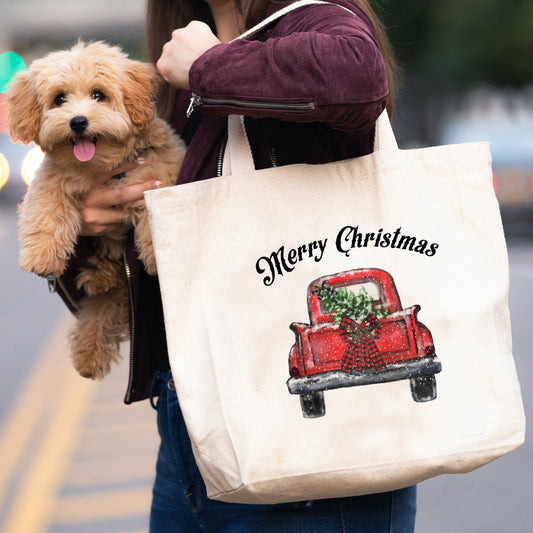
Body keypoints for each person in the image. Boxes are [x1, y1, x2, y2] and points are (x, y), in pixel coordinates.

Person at [56, 0, 416, 531]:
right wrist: (87, 230)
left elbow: (359, 75)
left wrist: (209, 67)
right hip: (188, 433)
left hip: (314, 450)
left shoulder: (311, 17)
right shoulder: (176, 60)